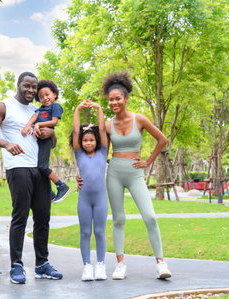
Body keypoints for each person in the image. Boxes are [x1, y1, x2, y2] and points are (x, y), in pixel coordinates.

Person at [0, 72, 63, 284]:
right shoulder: (4, 106)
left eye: (34, 87)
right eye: (27, 86)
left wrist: (50, 134)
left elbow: (51, 141)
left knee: (43, 217)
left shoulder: (40, 110)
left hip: (39, 169)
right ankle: (16, 266)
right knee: (20, 217)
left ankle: (42, 264)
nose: (31, 90)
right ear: (18, 85)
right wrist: (6, 144)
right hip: (18, 168)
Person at [103, 71, 172, 279]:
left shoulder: (139, 119)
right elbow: (100, 152)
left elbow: (162, 139)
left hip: (135, 173)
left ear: (126, 99)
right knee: (118, 219)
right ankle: (120, 264)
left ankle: (161, 263)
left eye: (117, 99)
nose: (114, 102)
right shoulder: (107, 124)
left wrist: (148, 162)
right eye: (110, 100)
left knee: (150, 216)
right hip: (114, 171)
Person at [70, 99, 109, 281]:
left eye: (91, 140)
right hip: (84, 199)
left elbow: (102, 129)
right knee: (85, 232)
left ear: (97, 141)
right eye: (85, 140)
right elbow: (77, 130)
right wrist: (78, 109)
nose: (88, 143)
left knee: (100, 232)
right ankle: (87, 266)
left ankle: (100, 265)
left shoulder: (102, 152)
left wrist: (99, 108)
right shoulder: (79, 153)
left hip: (101, 198)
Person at [21, 79, 71, 203]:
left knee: (42, 166)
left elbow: (54, 122)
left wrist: (39, 124)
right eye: (41, 97)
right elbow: (34, 116)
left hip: (46, 140)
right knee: (38, 168)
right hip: (38, 140)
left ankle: (61, 186)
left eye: (47, 95)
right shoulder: (41, 109)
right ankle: (50, 194)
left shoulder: (56, 106)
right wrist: (28, 126)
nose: (45, 98)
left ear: (54, 94)